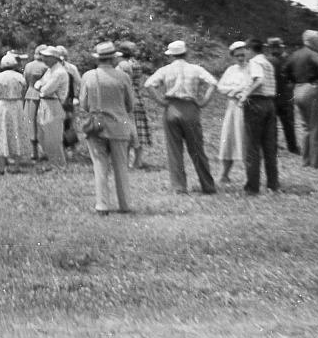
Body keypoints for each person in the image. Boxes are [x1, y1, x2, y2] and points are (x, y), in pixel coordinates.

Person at [143, 40, 218, 195]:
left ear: (171, 56)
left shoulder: (165, 69)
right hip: (190, 109)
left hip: (172, 109)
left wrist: (161, 101)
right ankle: (208, 185)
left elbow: (148, 84)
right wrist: (203, 102)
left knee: (174, 150)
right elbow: (213, 83)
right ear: (186, 53)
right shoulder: (196, 69)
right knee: (197, 149)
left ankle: (179, 187)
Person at [77, 42, 136, 214]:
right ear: (113, 58)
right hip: (119, 126)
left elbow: (83, 104)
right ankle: (125, 204)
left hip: (96, 126)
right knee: (121, 167)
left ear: (98, 59)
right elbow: (130, 105)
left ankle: (102, 205)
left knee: (100, 166)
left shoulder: (88, 76)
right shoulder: (123, 77)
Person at [238, 38, 280, 195]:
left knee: (252, 146)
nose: (244, 53)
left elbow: (259, 79)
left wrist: (245, 95)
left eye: (245, 50)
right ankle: (272, 184)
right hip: (270, 103)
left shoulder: (254, 62)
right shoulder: (267, 63)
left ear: (250, 49)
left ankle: (252, 187)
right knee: (269, 146)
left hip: (256, 104)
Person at [286, 30, 318, 168]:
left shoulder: (295, 54)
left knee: (306, 127)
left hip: (298, 90)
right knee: (317, 126)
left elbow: (286, 69)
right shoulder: (313, 54)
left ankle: (306, 160)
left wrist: (293, 81)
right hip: (312, 90)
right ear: (312, 41)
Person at [0, 52, 28, 173]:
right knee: (17, 132)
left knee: (1, 133)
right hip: (16, 105)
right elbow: (24, 91)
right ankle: (16, 166)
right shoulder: (19, 77)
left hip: (1, 105)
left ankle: (1, 166)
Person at [216, 41, 250, 183]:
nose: (240, 58)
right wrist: (234, 90)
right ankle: (224, 174)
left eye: (242, 55)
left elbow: (251, 85)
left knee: (245, 139)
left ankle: (250, 176)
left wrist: (237, 90)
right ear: (233, 56)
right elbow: (220, 87)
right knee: (228, 138)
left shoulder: (252, 68)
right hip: (232, 107)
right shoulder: (231, 70)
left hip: (246, 107)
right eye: (237, 56)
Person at [116, 41, 153, 169]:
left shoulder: (123, 65)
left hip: (125, 98)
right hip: (136, 96)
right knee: (138, 130)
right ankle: (138, 161)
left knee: (127, 129)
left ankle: (125, 161)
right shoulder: (136, 63)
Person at [33, 46, 70, 166]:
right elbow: (38, 83)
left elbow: (46, 89)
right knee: (42, 135)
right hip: (45, 103)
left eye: (46, 57)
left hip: (54, 103)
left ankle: (59, 164)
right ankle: (52, 161)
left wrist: (40, 86)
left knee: (53, 136)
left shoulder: (59, 72)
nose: (43, 59)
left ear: (54, 58)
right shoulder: (50, 70)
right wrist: (40, 86)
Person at [265, 37, 299, 154]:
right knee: (288, 124)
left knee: (273, 125)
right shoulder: (288, 60)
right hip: (284, 97)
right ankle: (292, 147)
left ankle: (275, 148)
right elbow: (294, 79)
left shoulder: (266, 61)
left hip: (273, 96)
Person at [22, 45, 49, 160]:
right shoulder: (46, 67)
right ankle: (45, 151)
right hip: (43, 96)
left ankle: (34, 152)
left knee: (31, 123)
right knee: (44, 123)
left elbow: (25, 81)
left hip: (30, 94)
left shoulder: (28, 65)